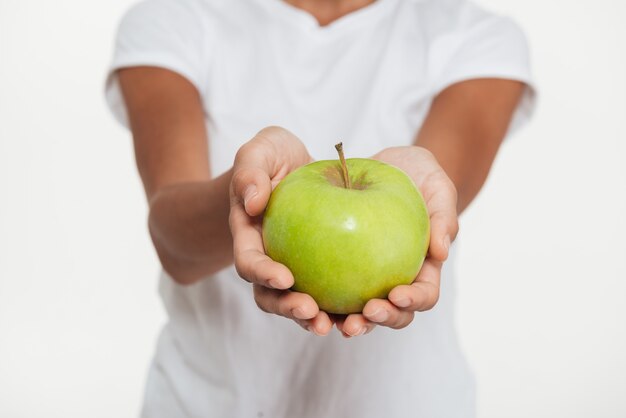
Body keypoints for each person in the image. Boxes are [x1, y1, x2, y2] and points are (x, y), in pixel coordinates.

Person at [105, 0, 535, 416]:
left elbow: (427, 203)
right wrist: (246, 194)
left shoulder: (475, 37)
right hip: (204, 404)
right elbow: (172, 242)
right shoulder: (173, 19)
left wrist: (408, 201)